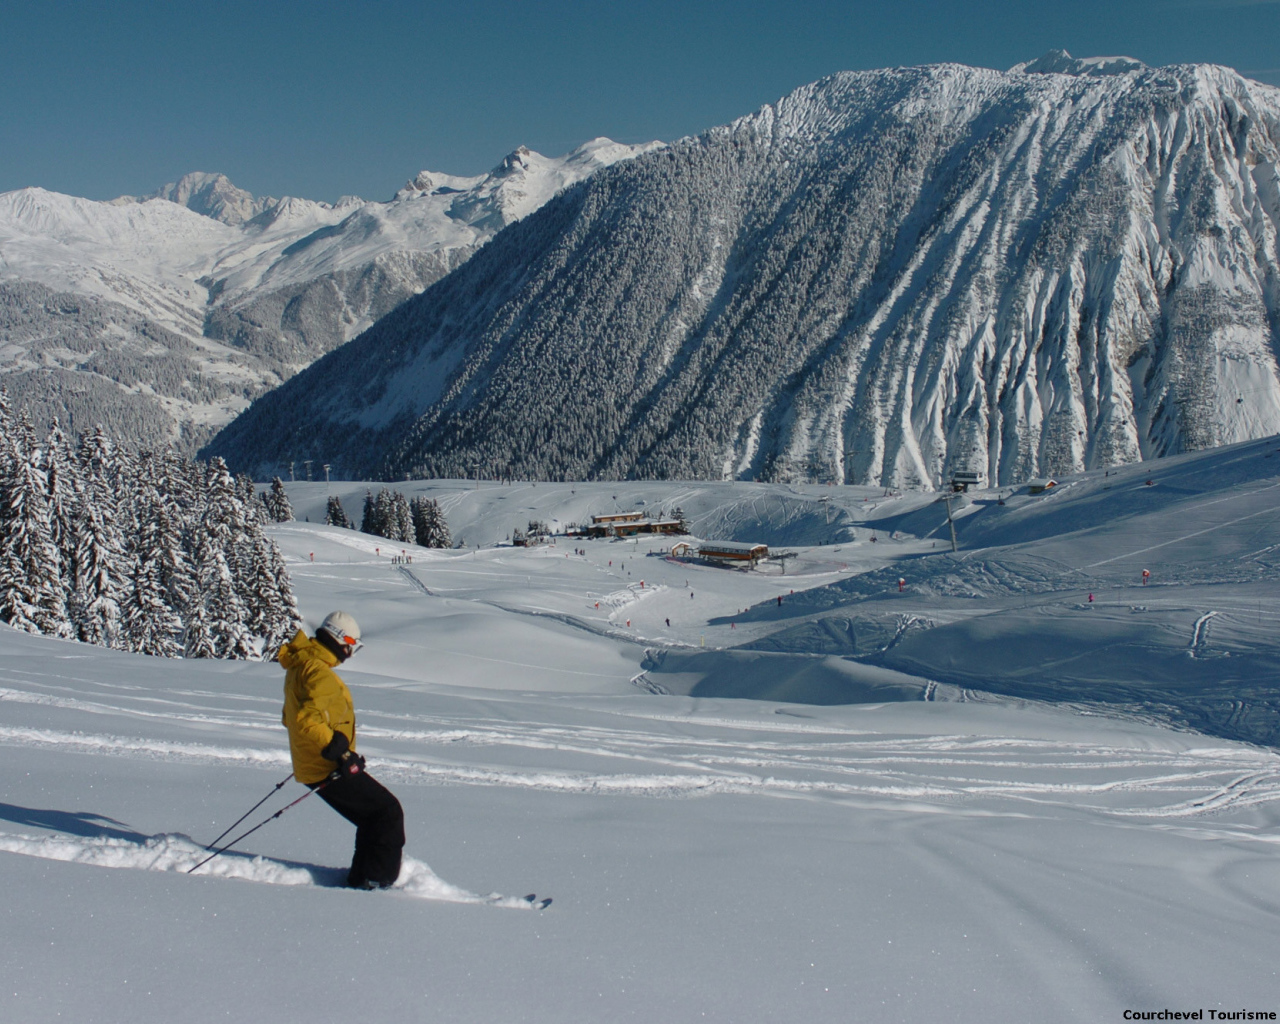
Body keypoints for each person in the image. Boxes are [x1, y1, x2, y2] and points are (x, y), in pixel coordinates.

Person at [278, 611, 405, 890]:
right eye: (351, 644)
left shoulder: (302, 664)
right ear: (339, 639)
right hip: (326, 766)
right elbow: (306, 721)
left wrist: (334, 748)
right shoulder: (317, 671)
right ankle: (375, 881)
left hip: (317, 763)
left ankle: (364, 877)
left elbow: (291, 717)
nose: (350, 652)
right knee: (387, 812)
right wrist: (339, 752)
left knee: (373, 816)